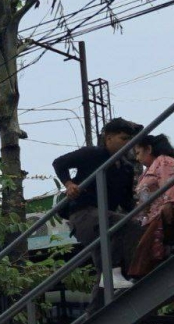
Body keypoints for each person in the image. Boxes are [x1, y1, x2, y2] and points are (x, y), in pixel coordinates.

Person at [53, 117, 144, 311]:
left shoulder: (126, 169)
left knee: (107, 270)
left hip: (106, 218)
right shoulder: (92, 154)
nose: (128, 143)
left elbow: (126, 202)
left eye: (130, 140)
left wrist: (145, 207)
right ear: (109, 138)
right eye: (123, 138)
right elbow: (59, 162)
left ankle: (94, 314)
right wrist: (69, 184)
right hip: (84, 214)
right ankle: (136, 271)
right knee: (129, 226)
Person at [127, 134, 174, 282]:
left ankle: (137, 276)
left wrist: (169, 203)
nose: (137, 158)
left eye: (138, 153)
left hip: (167, 214)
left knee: (145, 247)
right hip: (155, 216)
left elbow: (170, 181)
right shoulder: (148, 171)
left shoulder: (164, 161)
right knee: (145, 245)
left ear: (149, 149)